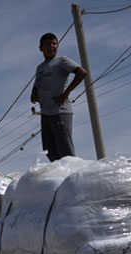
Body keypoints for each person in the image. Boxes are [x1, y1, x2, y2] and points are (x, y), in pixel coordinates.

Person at [30, 32, 87, 161]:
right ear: (41, 48)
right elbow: (36, 85)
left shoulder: (62, 61)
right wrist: (34, 94)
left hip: (60, 110)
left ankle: (71, 171)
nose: (51, 46)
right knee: (50, 150)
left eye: (54, 44)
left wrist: (66, 93)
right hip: (46, 112)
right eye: (47, 44)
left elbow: (82, 73)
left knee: (65, 149)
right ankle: (58, 173)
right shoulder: (40, 67)